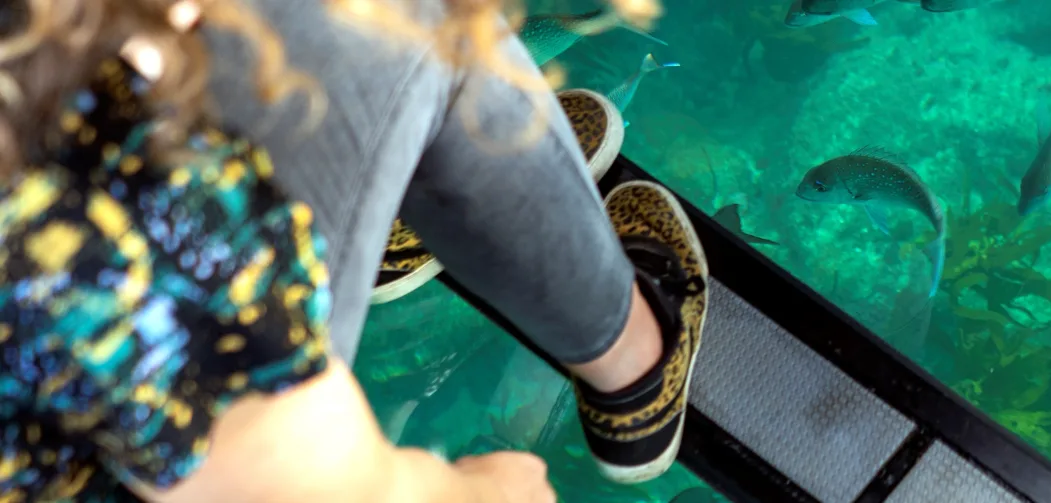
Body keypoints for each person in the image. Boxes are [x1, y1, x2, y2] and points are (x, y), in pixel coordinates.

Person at [0, 0, 706, 501]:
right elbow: (319, 488)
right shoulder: (100, 236)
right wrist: (483, 490)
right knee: (413, 18)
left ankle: (395, 213)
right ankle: (635, 365)